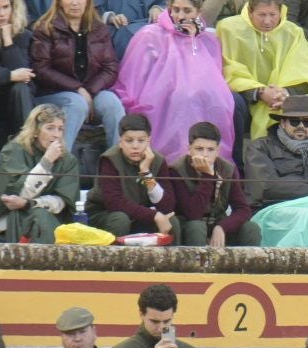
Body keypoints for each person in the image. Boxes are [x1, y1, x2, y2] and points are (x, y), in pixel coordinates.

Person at [111, 0, 235, 163]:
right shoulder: (150, 34)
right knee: (183, 99)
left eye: (187, 11)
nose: (180, 16)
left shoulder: (207, 38)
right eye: (175, 10)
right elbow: (134, 74)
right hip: (161, 93)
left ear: (198, 12)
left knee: (222, 102)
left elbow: (214, 74)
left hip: (203, 95)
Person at [217, 0, 308, 145]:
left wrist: (284, 93)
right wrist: (260, 92)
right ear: (250, 12)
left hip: (285, 97)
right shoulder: (229, 29)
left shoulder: (292, 32)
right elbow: (228, 71)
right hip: (249, 97)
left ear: (281, 12)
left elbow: (306, 74)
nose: (267, 21)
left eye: (272, 15)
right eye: (261, 14)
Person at [29, 0, 124, 151]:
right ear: (59, 2)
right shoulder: (45, 27)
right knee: (77, 103)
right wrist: (78, 88)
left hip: (90, 92)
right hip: (53, 94)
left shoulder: (99, 28)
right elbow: (41, 69)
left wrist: (90, 91)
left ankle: (119, 162)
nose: (75, 3)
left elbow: (111, 67)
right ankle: (60, 161)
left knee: (111, 102)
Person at [0, 102, 77, 242]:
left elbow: (63, 202)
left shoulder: (67, 159)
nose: (56, 135)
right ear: (36, 130)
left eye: (60, 129)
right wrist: (46, 162)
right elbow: (19, 194)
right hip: (7, 219)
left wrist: (31, 204)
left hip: (48, 218)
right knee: (38, 217)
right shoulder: (13, 150)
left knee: (41, 216)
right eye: (50, 128)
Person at [169, 121, 261, 247]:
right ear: (189, 149)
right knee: (197, 226)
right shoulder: (177, 169)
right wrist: (207, 175)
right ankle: (197, 266)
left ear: (218, 151)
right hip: (189, 226)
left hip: (217, 222)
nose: (205, 154)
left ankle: (247, 266)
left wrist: (222, 227)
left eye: (210, 149)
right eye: (199, 149)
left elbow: (243, 209)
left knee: (251, 228)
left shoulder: (227, 169)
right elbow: (192, 213)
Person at [85, 113, 177, 238]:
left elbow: (167, 205)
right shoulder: (110, 160)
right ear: (120, 141)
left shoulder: (158, 161)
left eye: (141, 140)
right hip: (106, 214)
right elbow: (114, 202)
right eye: (129, 140)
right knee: (120, 219)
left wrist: (146, 173)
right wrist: (154, 215)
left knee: (171, 221)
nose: (135, 146)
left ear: (149, 141)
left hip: (140, 215)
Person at [243, 93, 308, 210]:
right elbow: (266, 187)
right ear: (283, 123)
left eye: (307, 122)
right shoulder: (260, 147)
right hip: (272, 209)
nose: (301, 126)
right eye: (294, 121)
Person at [106, 283, 205, 348]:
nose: (161, 328)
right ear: (141, 314)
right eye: (154, 321)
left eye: (167, 321)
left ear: (172, 316)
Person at [0, 0, 38, 157]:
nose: (2, 13)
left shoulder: (23, 34)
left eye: (6, 7)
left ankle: (27, 148)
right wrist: (9, 76)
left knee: (22, 88)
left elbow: (25, 75)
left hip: (12, 105)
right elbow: (15, 73)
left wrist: (7, 40)